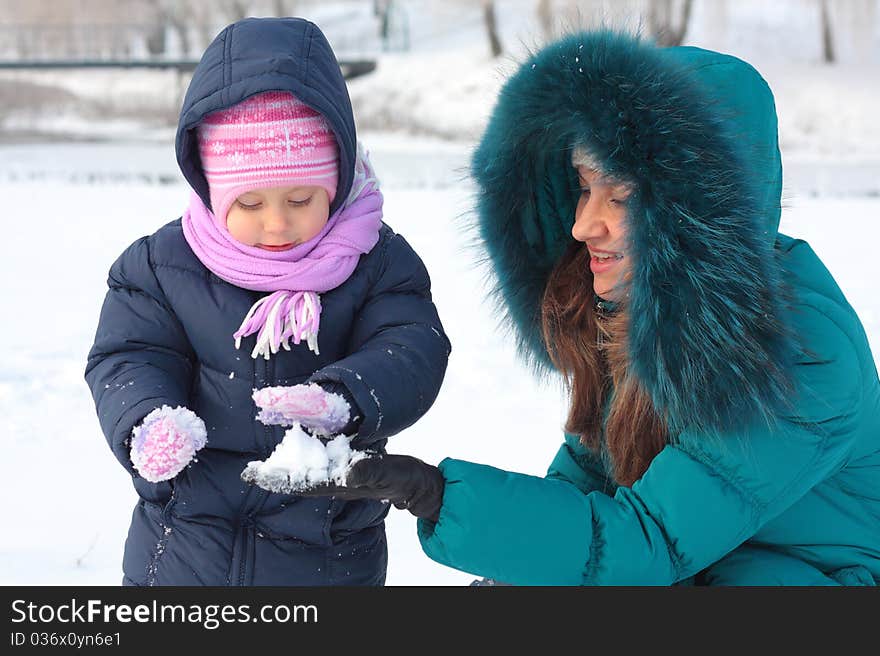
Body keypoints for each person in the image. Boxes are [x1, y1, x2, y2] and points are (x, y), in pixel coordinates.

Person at [298, 30, 880, 585]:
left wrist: (437, 496)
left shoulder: (800, 351)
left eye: (621, 195)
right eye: (583, 186)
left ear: (700, 213)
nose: (582, 226)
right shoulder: (633, 308)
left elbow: (646, 542)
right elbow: (587, 497)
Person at [84, 17, 450, 586]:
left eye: (301, 198)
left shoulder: (376, 261)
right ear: (211, 190)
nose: (277, 223)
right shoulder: (161, 266)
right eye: (249, 203)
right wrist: (148, 420)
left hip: (326, 550)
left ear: (335, 180)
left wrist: (343, 399)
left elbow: (412, 346)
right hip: (185, 548)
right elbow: (129, 355)